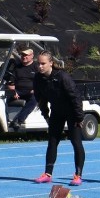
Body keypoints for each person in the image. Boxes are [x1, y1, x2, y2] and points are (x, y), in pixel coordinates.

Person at [33, 51, 85, 186]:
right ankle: (47, 173)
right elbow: (41, 100)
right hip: (57, 111)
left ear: (51, 63)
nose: (40, 66)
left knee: (76, 141)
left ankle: (78, 175)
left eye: (43, 63)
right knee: (52, 141)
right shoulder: (38, 79)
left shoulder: (62, 77)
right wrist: (47, 116)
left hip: (72, 112)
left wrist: (79, 117)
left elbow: (75, 97)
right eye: (38, 63)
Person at [7, 47, 38, 129]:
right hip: (18, 91)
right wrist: (13, 92)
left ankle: (18, 121)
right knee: (5, 97)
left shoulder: (36, 67)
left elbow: (42, 81)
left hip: (32, 92)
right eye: (22, 55)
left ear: (32, 56)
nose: (24, 57)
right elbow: (11, 82)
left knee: (34, 98)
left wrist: (36, 89)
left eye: (26, 55)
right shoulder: (17, 67)